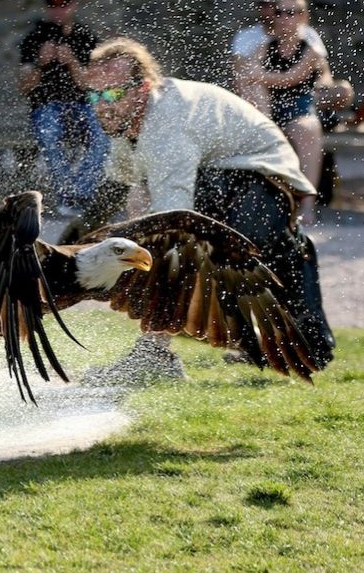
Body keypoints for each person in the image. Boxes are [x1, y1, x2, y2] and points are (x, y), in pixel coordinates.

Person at [76, 37, 334, 379]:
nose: (102, 106)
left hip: (262, 174)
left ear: (143, 88)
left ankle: (154, 354)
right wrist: (78, 248)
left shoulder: (167, 124)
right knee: (146, 207)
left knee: (195, 249)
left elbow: (171, 226)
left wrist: (142, 255)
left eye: (112, 94)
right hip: (221, 173)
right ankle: (228, 345)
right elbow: (125, 186)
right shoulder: (128, 124)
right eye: (94, 96)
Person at [235, 0, 352, 224]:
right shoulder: (265, 46)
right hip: (270, 108)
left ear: (302, 16)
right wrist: (255, 79)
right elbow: (245, 74)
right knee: (256, 107)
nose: (283, 17)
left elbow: (292, 78)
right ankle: (259, 201)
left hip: (298, 109)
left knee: (308, 130)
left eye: (290, 13)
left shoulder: (310, 50)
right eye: (279, 12)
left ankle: (307, 205)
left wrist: (260, 77)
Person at [17, 0, 108, 216]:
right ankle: (69, 195)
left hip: (82, 105)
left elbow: (91, 85)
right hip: (46, 106)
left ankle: (79, 193)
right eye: (53, 5)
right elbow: (25, 87)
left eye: (64, 4)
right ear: (47, 7)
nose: (59, 10)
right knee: (48, 135)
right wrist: (40, 63)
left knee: (103, 136)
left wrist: (73, 63)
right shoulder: (35, 37)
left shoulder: (85, 37)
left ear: (73, 4)